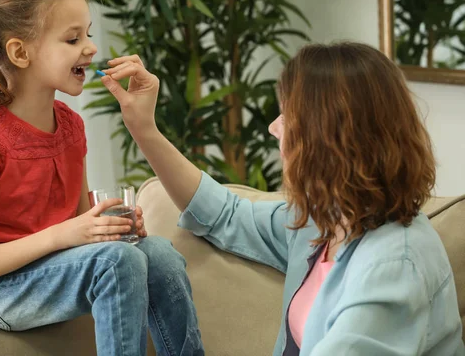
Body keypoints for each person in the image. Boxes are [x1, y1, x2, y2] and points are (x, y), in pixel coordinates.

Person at [101, 43, 465, 355]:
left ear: (329, 136)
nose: (275, 127)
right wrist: (143, 128)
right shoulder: (322, 221)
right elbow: (224, 213)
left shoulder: (395, 265)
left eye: (288, 114)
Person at [0, 0, 204, 356]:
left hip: (48, 269)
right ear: (20, 53)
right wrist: (67, 235)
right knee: (117, 262)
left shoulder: (71, 126)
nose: (91, 48)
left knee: (156, 253)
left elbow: (80, 226)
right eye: (73, 39)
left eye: (88, 34)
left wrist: (110, 226)